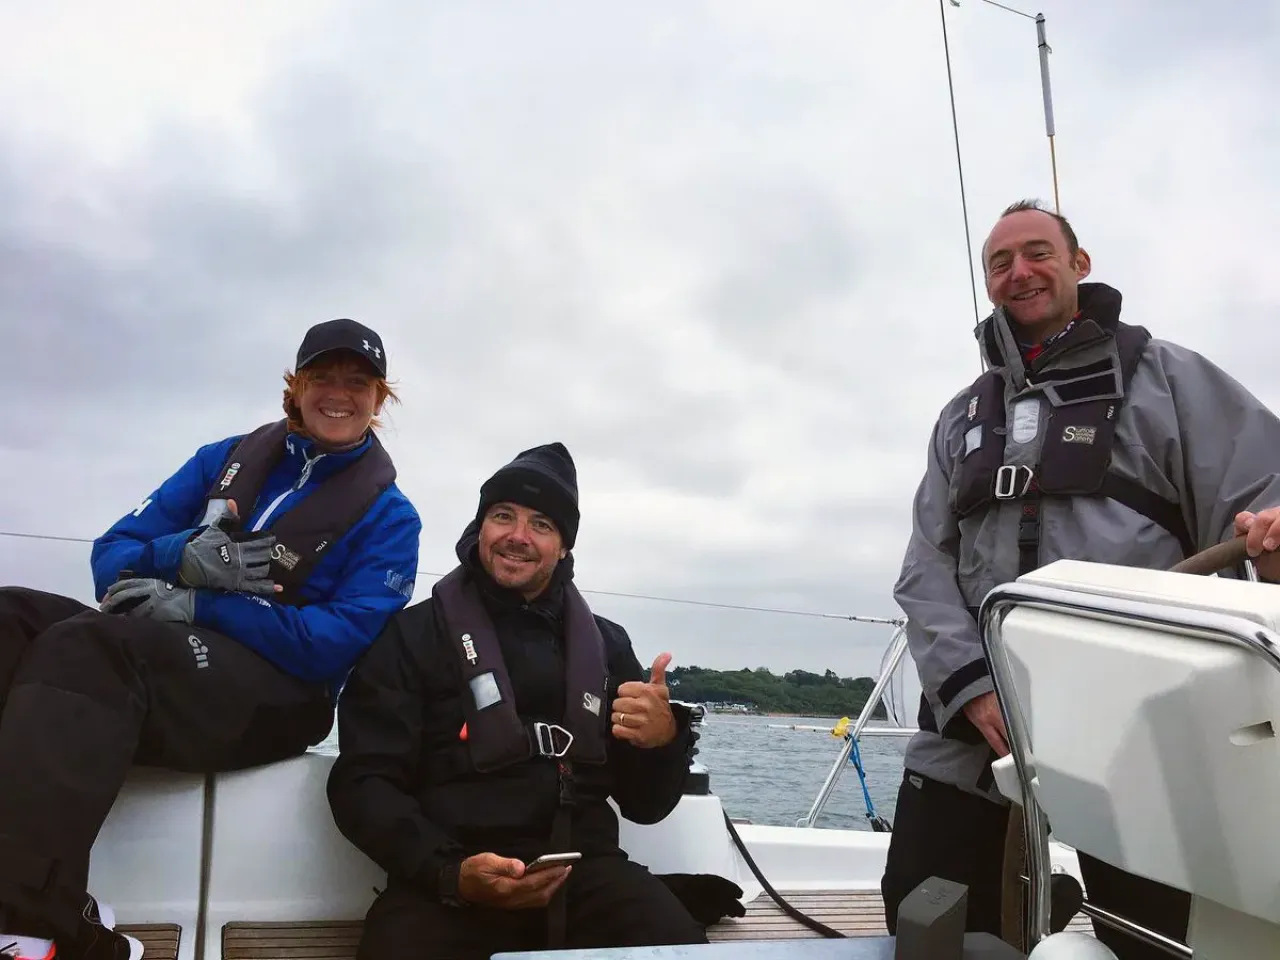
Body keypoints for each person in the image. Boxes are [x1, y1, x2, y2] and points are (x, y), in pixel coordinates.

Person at [881, 199, 1280, 958]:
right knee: (923, 919)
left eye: (1038, 254)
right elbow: (923, 566)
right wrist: (965, 683)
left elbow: (1261, 509)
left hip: (1134, 726)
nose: (1020, 272)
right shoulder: (958, 417)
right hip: (977, 718)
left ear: (1079, 265)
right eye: (1001, 263)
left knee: (1156, 939)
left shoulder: (1170, 379)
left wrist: (1272, 544)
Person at [0, 318, 422, 960]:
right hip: (176, 662)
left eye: (359, 382)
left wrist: (199, 605)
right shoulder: (221, 461)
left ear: (379, 398)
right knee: (11, 617)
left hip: (280, 693)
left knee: (91, 646)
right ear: (297, 385)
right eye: (323, 377)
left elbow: (333, 644)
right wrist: (179, 558)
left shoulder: (392, 518)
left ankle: (30, 923)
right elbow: (108, 558)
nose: (340, 393)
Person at [326, 442, 708, 959]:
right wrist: (450, 873)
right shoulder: (410, 636)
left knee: (684, 949)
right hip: (450, 882)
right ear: (479, 528)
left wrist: (664, 739)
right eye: (503, 516)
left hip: (584, 873)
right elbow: (362, 781)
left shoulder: (608, 645)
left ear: (564, 547)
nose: (518, 537)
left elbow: (645, 806)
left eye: (542, 525)